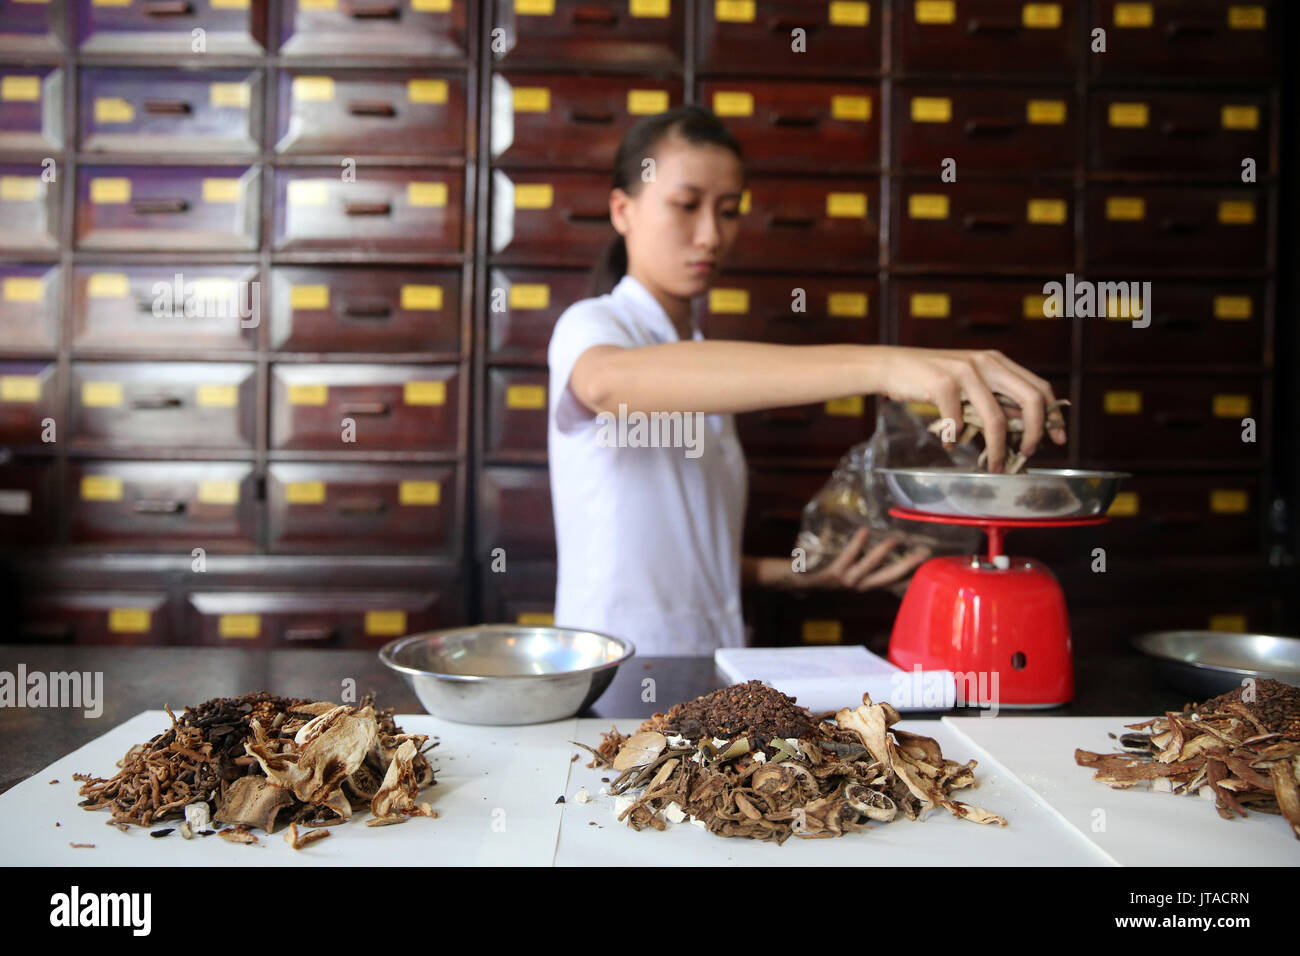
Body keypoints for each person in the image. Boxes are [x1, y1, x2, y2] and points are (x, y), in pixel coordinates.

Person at [546, 105, 1066, 655]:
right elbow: (606, 384)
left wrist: (803, 573)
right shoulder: (594, 325)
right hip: (615, 665)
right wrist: (883, 365)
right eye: (686, 204)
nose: (710, 235)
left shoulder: (697, 357)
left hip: (709, 656)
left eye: (728, 211)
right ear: (622, 210)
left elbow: (681, 555)